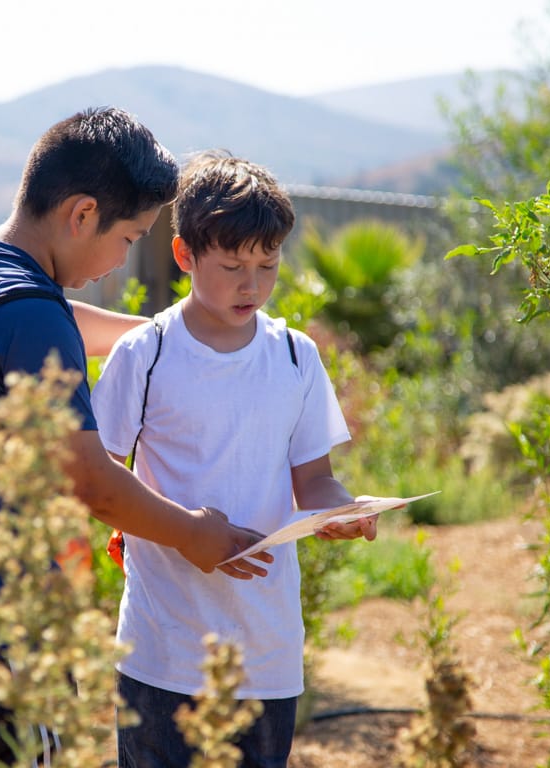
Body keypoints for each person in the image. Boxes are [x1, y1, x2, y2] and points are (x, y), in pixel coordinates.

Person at [0, 107, 271, 768]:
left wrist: (161, 333)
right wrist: (195, 533)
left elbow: (54, 319)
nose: (119, 261)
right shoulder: (31, 316)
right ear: (82, 214)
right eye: (128, 236)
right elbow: (92, 483)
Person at [91, 150, 379, 768]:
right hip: (163, 650)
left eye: (267, 264)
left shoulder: (296, 357)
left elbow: (316, 481)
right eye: (232, 265)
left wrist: (342, 512)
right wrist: (183, 529)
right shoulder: (146, 353)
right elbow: (100, 478)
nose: (252, 284)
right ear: (185, 256)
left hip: (265, 651)